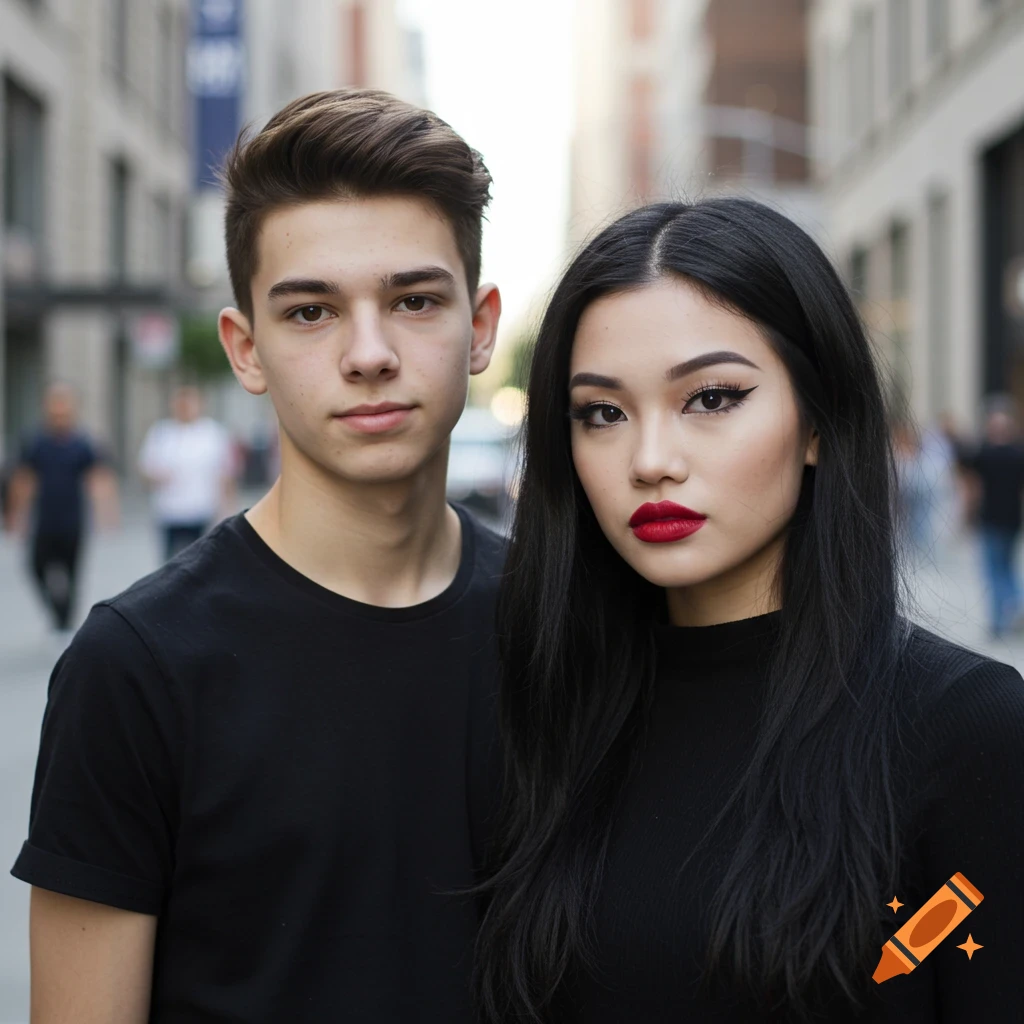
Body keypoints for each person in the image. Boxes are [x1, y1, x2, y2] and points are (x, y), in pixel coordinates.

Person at [11, 89, 504, 1023]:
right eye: (312, 311)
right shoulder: (137, 667)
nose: (369, 353)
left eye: (413, 300)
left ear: (478, 327)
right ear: (247, 348)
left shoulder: (566, 620)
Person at [473, 200, 1024, 1023]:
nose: (651, 461)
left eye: (713, 398)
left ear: (816, 420)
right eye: (603, 413)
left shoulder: (966, 731)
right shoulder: (535, 706)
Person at [3, 382, 119, 634]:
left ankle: (65, 618)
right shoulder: (36, 442)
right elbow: (23, 479)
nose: (59, 415)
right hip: (45, 520)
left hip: (72, 521)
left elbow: (97, 477)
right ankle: (56, 608)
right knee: (35, 566)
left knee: (72, 572)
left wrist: (106, 513)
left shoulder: (82, 443)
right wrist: (15, 514)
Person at [138, 384, 237, 560]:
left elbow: (225, 474)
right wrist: (157, 476)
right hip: (169, 510)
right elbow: (145, 468)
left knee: (199, 560)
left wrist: (227, 507)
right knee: (170, 562)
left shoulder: (213, 433)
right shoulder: (161, 433)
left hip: (202, 508)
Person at [957, 397, 1024, 637]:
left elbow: (969, 483)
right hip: (1012, 519)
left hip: (990, 519)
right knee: (1006, 567)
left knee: (993, 570)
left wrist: (966, 515)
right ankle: (1015, 602)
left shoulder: (984, 454)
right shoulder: (1019, 453)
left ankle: (1000, 619)